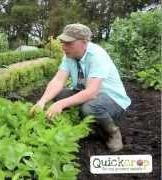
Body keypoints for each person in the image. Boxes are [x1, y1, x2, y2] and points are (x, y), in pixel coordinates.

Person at [30, 23, 131, 152]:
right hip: (86, 93)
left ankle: (113, 132)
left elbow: (92, 92)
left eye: (69, 43)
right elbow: (58, 80)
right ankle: (82, 124)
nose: (64, 47)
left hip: (112, 100)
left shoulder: (97, 56)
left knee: (89, 107)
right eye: (63, 42)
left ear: (83, 43)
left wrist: (60, 104)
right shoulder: (69, 55)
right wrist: (42, 101)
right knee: (58, 94)